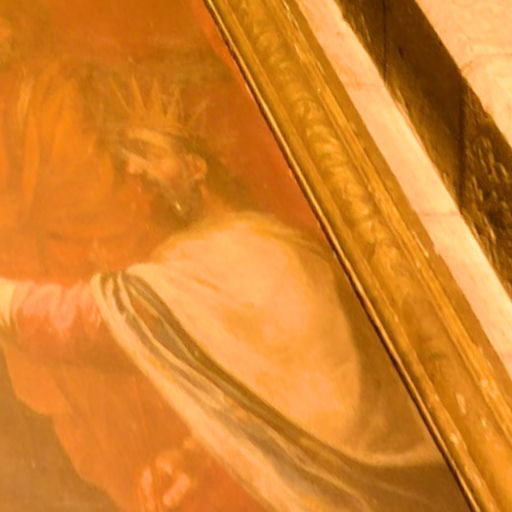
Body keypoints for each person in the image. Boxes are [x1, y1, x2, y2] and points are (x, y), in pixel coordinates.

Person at [0, 63, 470, 512]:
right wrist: (200, 455)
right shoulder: (240, 247)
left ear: (195, 165)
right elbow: (277, 392)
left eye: (145, 155)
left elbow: (96, 319)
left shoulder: (242, 252)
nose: (133, 172)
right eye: (127, 163)